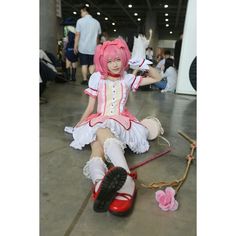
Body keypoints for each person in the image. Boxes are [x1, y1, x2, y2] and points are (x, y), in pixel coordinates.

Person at [65, 38, 161, 216]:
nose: (115, 65)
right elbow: (90, 107)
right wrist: (80, 125)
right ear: (103, 62)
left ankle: (116, 180)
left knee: (100, 131)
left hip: (121, 121)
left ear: (123, 58)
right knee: (96, 146)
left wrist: (142, 63)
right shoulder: (96, 79)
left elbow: (158, 77)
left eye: (117, 59)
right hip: (101, 117)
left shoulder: (128, 78)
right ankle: (105, 182)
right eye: (109, 61)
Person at [74, 4, 101, 85]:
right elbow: (97, 37)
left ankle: (85, 80)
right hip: (93, 48)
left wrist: (75, 46)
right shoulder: (96, 22)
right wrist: (97, 46)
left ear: (84, 10)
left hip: (83, 47)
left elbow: (77, 35)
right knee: (92, 64)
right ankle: (92, 80)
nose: (80, 14)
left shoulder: (80, 21)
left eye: (81, 12)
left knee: (84, 64)